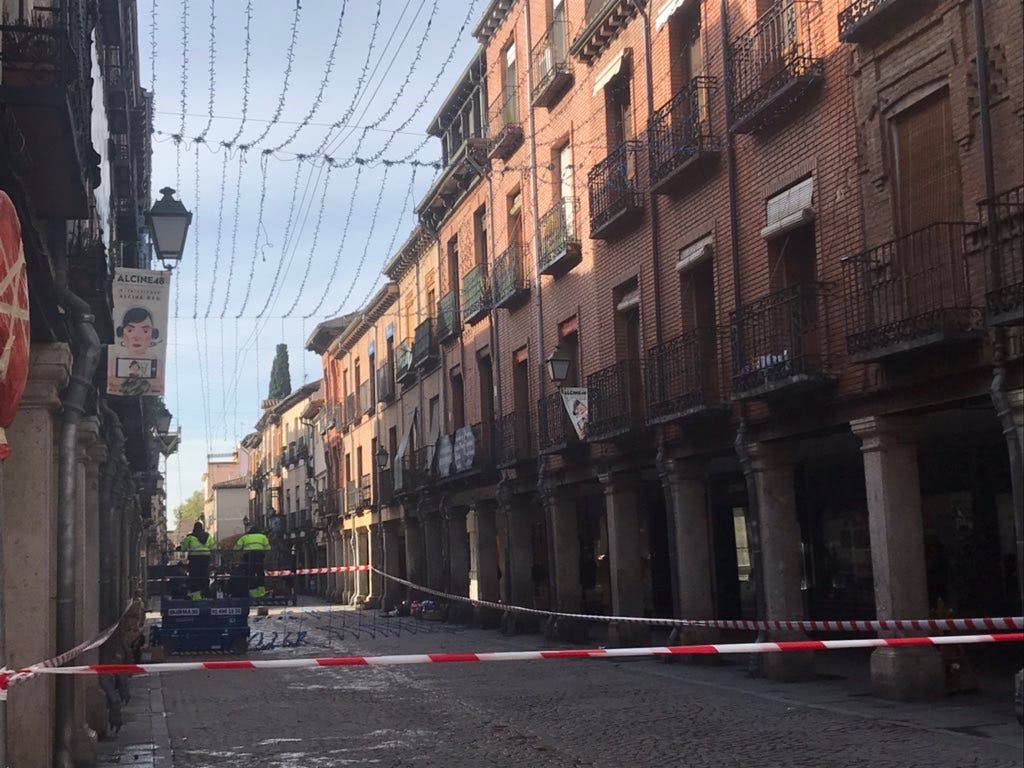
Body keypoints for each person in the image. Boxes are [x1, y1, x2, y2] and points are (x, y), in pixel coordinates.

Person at [178, 521, 213, 600]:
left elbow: (184, 547)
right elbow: (213, 546)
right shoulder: (208, 536)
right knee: (205, 575)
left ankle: (196, 597)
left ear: (194, 528)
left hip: (194, 559)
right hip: (205, 559)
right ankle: (206, 593)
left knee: (194, 577)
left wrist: (181, 549)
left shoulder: (189, 537)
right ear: (202, 528)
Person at [235, 525, 272, 599]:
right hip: (259, 557)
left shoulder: (245, 537)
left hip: (248, 557)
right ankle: (261, 593)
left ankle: (253, 594)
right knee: (260, 574)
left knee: (250, 574)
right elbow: (268, 548)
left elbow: (236, 547)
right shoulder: (263, 537)